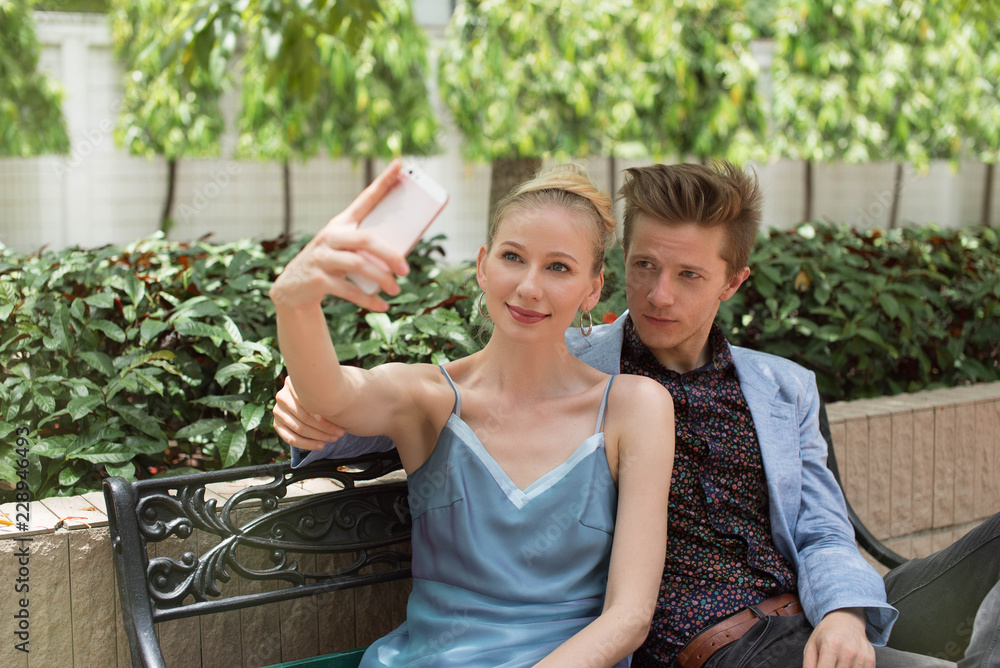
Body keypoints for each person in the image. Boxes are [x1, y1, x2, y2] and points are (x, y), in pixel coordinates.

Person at [276, 161, 1000, 667]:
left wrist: (844, 612)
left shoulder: (782, 388)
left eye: (689, 275)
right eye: (645, 266)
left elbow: (821, 530)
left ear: (733, 281)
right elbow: (427, 402)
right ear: (612, 275)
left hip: (815, 610)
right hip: (721, 639)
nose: (658, 295)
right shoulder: (568, 356)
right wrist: (305, 400)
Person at [269, 160, 675, 667]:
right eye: (513, 257)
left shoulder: (635, 408)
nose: (529, 287)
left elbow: (630, 616)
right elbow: (332, 394)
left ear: (592, 288)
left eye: (558, 267)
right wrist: (295, 300)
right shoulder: (429, 397)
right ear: (484, 265)